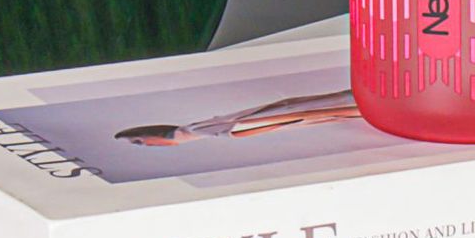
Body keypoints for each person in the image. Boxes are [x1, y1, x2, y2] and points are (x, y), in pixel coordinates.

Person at [115, 89, 361, 147]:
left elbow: (243, 125)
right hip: (283, 116)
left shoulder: (193, 130)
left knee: (335, 106)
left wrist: (299, 118)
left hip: (283, 115)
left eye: (139, 141)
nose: (146, 145)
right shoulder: (193, 130)